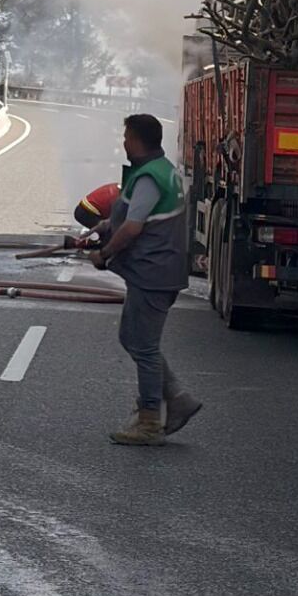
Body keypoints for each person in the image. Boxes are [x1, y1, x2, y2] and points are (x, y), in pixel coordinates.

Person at [90, 113, 202, 446]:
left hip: (153, 273)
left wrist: (105, 253)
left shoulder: (149, 177)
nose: (123, 142)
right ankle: (177, 400)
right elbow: (140, 215)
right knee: (132, 338)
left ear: (137, 140)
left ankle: (151, 419)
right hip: (156, 271)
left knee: (145, 347)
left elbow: (134, 226)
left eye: (126, 136)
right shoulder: (162, 169)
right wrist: (106, 225)